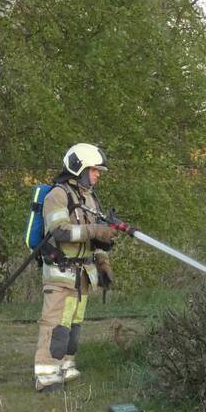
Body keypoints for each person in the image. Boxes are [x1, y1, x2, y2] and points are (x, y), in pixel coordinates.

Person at [34, 143, 119, 392]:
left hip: (83, 276)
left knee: (73, 325)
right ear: (78, 168)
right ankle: (46, 375)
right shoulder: (57, 195)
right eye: (94, 170)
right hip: (61, 274)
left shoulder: (89, 198)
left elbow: (95, 240)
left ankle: (65, 367)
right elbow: (59, 231)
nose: (98, 175)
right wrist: (95, 230)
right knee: (55, 324)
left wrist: (103, 262)